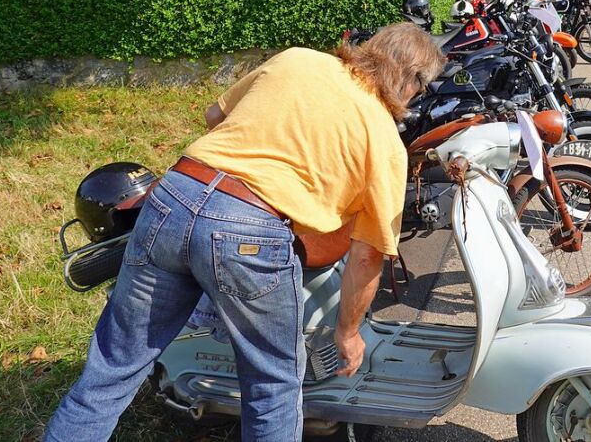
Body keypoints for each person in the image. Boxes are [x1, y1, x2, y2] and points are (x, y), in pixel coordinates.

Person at [42, 23, 446, 442]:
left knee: (110, 370)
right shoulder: (384, 140)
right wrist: (346, 334)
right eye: (421, 86)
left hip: (175, 195)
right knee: (272, 388)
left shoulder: (298, 59)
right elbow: (366, 256)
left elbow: (214, 115)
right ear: (411, 81)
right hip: (253, 230)